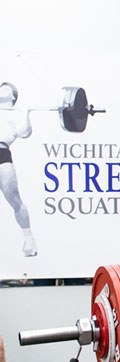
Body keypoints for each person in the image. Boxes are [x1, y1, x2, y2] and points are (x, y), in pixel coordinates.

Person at [0, 81, 37, 257]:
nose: (1, 87)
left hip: (2, 153)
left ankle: (29, 239)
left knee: (14, 198)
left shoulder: (17, 113)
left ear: (13, 96)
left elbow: (24, 133)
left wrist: (27, 113)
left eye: (6, 87)